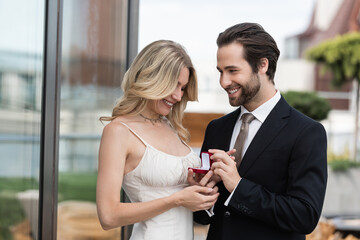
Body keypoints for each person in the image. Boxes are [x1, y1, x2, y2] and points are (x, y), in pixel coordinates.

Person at [188, 23, 328, 240]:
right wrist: (202, 192)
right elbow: (203, 217)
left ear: (262, 65)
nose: (224, 82)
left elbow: (305, 216)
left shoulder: (307, 132)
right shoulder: (217, 128)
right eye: (220, 72)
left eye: (233, 70)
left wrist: (238, 187)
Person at [96, 40, 219, 240]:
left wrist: (201, 184)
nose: (179, 96)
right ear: (153, 78)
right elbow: (108, 216)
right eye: (175, 85)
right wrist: (177, 200)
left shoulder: (172, 127)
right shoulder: (118, 132)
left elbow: (179, 195)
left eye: (183, 88)